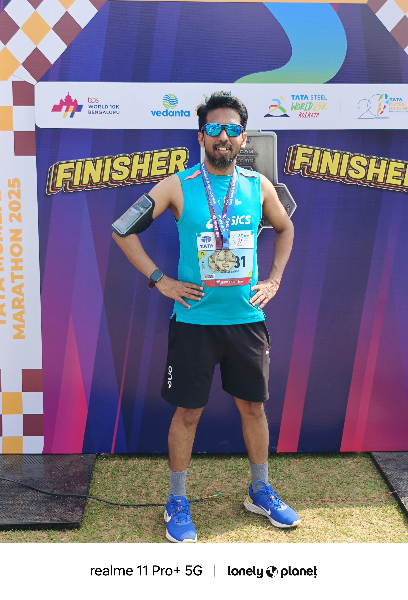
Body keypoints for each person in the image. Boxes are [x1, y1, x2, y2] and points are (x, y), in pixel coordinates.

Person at [112, 91, 299, 543]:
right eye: (214, 128)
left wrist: (274, 280)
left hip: (246, 320)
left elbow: (285, 227)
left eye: (232, 129)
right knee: (188, 413)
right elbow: (123, 229)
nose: (223, 136)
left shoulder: (258, 186)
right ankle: (177, 500)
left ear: (243, 138)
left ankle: (259, 490)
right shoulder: (177, 185)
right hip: (194, 322)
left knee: (253, 408)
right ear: (201, 136)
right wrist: (160, 279)